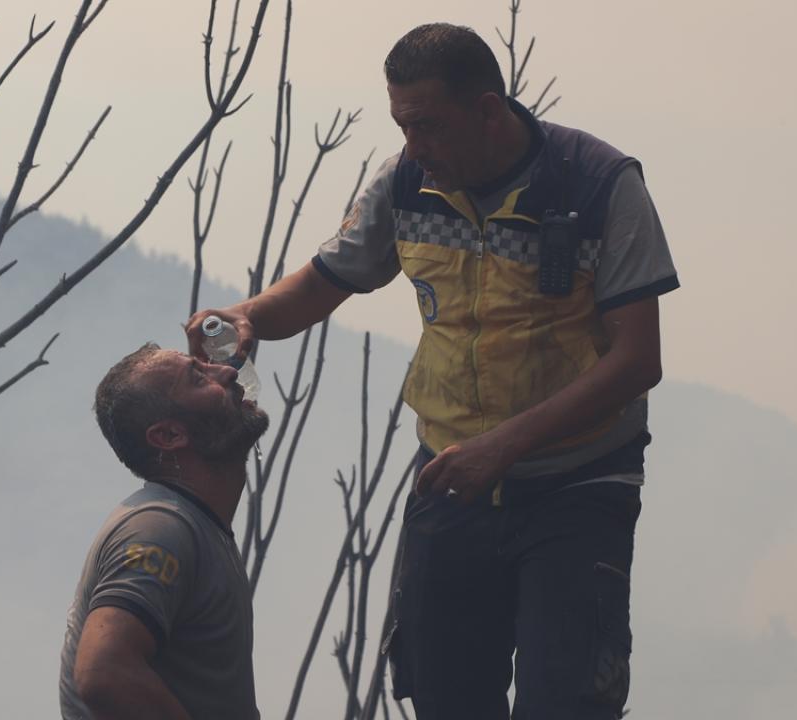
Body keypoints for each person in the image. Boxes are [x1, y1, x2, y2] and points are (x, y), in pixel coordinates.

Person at [185, 22, 678, 720]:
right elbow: (326, 281)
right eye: (402, 126)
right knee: (445, 695)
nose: (413, 145)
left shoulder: (599, 184)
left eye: (428, 126)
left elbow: (637, 361)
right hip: (450, 478)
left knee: (567, 700)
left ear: (487, 109)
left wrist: (502, 447)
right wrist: (248, 318)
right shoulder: (406, 182)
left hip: (578, 484)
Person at [60, 343, 269, 720]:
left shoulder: (194, 526)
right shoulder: (160, 528)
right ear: (170, 435)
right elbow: (103, 673)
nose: (228, 372)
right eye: (199, 378)